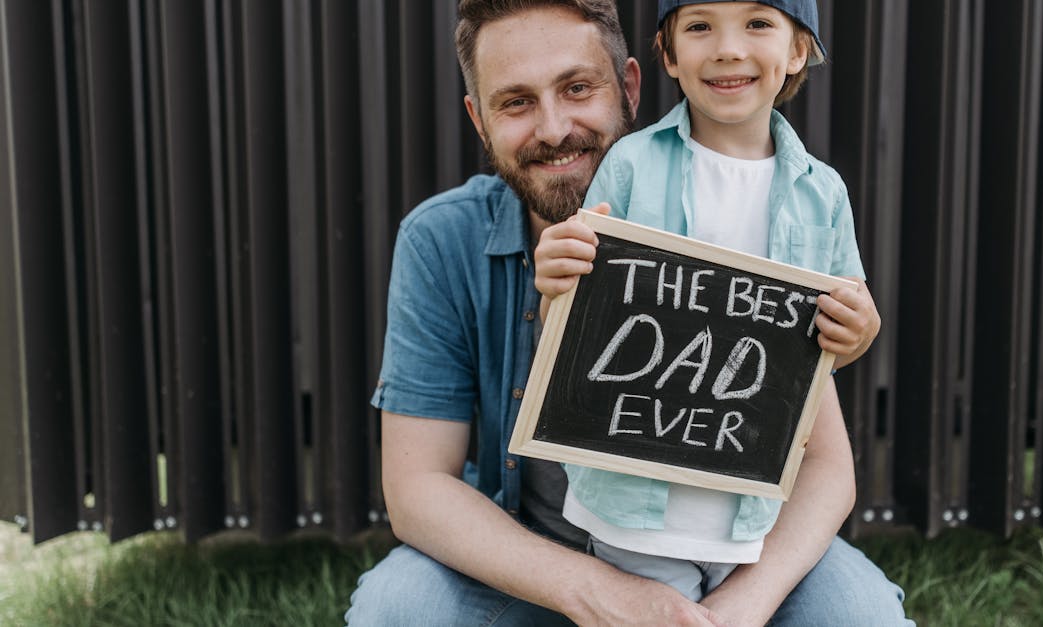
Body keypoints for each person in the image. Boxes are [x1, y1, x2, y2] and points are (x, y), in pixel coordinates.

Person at [344, 0, 909, 624]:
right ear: (480, 119)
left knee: (859, 614)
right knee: (397, 608)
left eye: (578, 88)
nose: (554, 128)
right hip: (531, 557)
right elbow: (417, 489)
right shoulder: (440, 239)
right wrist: (600, 594)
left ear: (631, 86)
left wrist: (735, 609)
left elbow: (827, 464)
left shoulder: (734, 215)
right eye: (516, 102)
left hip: (731, 552)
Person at [532, 0, 894, 609]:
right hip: (632, 506)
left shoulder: (822, 192)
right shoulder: (631, 165)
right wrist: (557, 285)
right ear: (668, 56)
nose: (727, 48)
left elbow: (829, 343)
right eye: (700, 27)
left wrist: (856, 334)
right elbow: (575, 330)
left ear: (799, 49)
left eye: (758, 24)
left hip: (749, 505)